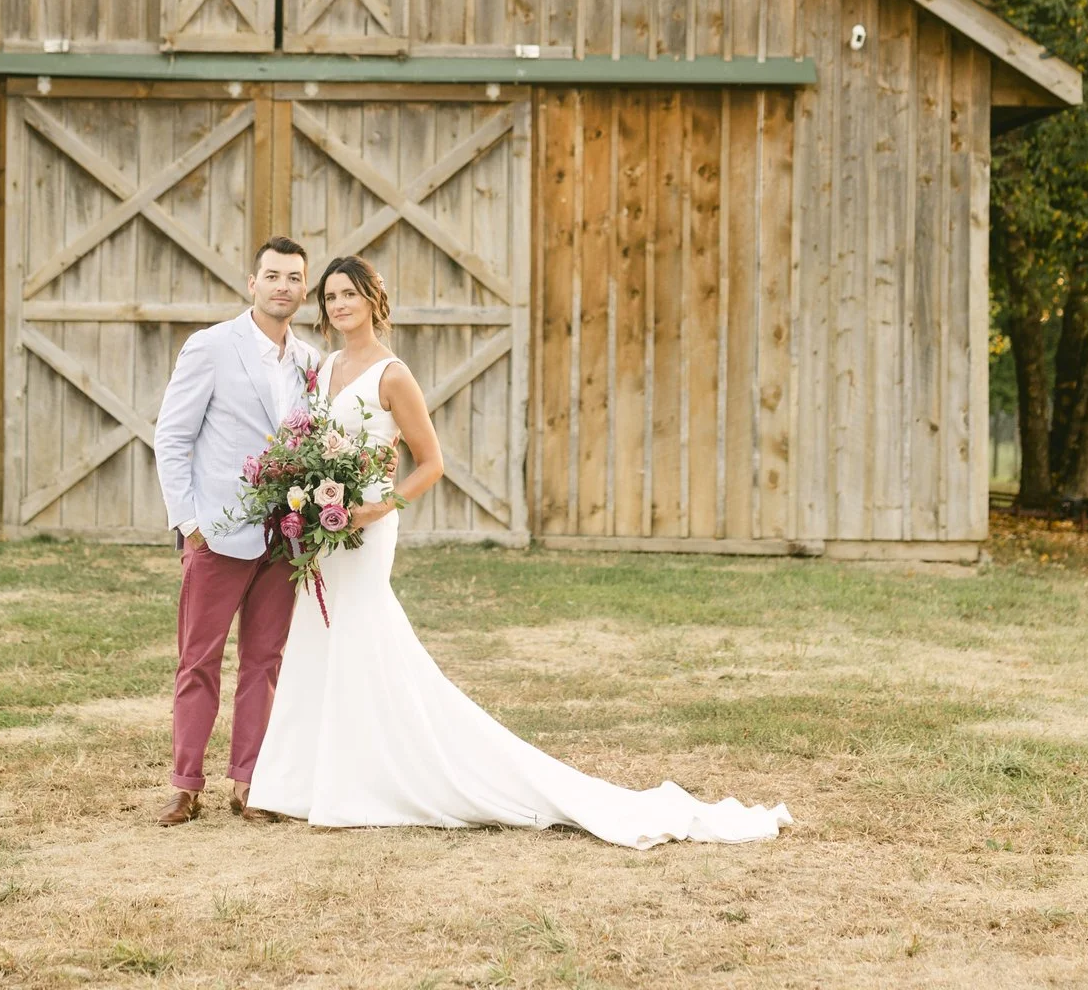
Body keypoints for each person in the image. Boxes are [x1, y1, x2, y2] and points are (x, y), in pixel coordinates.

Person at [247, 255, 793, 849]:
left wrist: (379, 507)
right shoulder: (324, 367)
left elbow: (431, 463)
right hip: (326, 528)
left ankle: (376, 777)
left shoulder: (392, 374)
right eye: (329, 297)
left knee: (361, 635)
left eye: (349, 294)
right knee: (318, 637)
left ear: (374, 301)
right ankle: (304, 781)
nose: (338, 305)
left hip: (368, 525)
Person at [150, 236, 321, 826]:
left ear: (304, 288)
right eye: (272, 276)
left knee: (264, 661)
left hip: (284, 538)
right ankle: (185, 784)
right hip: (217, 533)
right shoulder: (211, 347)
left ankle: (250, 782)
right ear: (252, 283)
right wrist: (189, 523)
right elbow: (172, 437)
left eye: (294, 278)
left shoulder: (310, 362)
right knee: (198, 660)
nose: (283, 286)